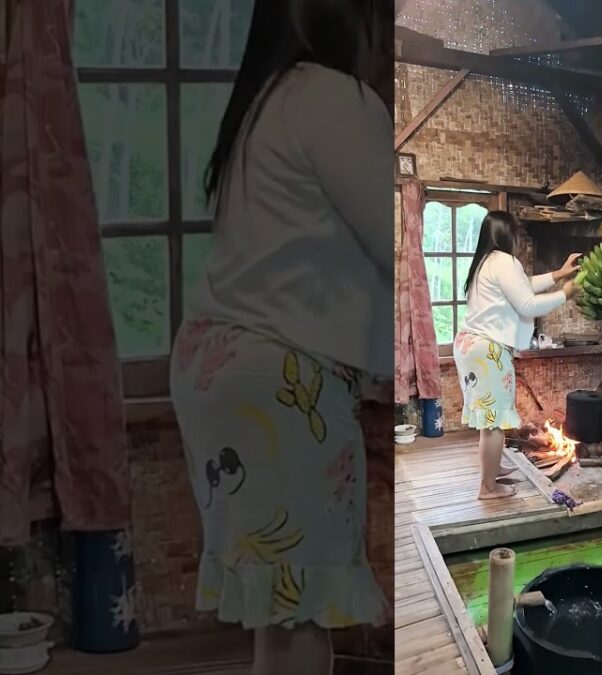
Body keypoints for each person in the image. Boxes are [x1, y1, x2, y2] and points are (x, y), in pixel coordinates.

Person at [168, 1, 390, 674]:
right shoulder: (334, 99)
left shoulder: (264, 102)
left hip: (218, 367)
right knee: (297, 629)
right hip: (281, 384)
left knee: (283, 618)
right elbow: (395, 244)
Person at [455, 211, 581, 499]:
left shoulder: (487, 262)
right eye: (517, 234)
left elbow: (521, 286)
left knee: (489, 421)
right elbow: (527, 304)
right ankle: (488, 488)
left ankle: (493, 470)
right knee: (495, 423)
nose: (520, 241)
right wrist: (565, 294)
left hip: (472, 346)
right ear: (506, 235)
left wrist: (559, 274)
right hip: (487, 350)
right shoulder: (504, 261)